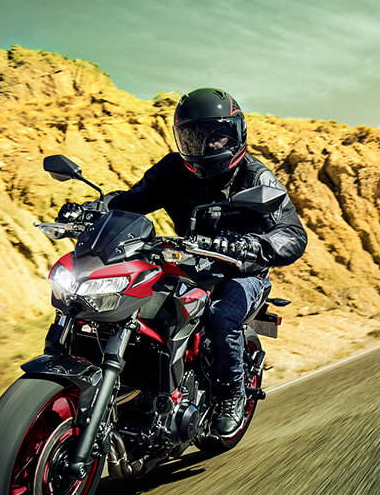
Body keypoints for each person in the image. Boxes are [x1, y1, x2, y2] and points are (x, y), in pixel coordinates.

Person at [57, 88, 307, 436]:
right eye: (194, 137)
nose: (206, 147)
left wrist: (249, 245)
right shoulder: (173, 169)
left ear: (236, 134)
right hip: (187, 262)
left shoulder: (256, 177)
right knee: (134, 302)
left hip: (239, 271)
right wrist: (91, 210)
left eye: (216, 137)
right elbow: (132, 200)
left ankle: (229, 393)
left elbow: (292, 235)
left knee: (222, 316)